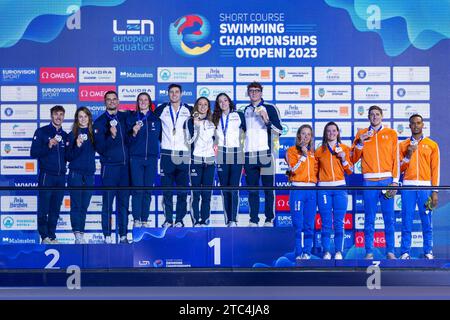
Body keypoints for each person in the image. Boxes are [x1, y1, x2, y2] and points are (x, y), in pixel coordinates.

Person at [351, 105, 399, 259]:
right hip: (369, 182)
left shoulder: (391, 133)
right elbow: (353, 158)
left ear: (382, 116)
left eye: (377, 114)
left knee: (389, 217)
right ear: (368, 117)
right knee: (369, 218)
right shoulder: (361, 133)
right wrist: (360, 143)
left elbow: (396, 159)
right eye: (372, 114)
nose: (375, 117)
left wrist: (395, 181)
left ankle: (390, 251)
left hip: (387, 180)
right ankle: (369, 251)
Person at [399, 114, 440, 259]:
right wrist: (408, 154)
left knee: (426, 219)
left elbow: (435, 170)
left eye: (418, 123)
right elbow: (399, 169)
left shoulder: (432, 145)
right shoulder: (403, 145)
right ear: (409, 126)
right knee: (407, 219)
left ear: (423, 125)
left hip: (425, 188)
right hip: (408, 188)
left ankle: (428, 251)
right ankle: (405, 252)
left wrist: (435, 191)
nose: (416, 126)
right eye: (413, 123)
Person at [243, 82, 282, 227]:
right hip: (249, 155)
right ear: (248, 93)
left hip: (265, 154)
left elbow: (279, 130)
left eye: (257, 90)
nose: (254, 93)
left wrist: (266, 120)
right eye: (251, 91)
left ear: (261, 92)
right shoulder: (245, 110)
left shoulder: (270, 108)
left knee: (268, 189)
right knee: (252, 190)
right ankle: (253, 220)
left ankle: (269, 219)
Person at [93, 91, 130, 244]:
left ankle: (123, 235)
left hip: (124, 168)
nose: (112, 102)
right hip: (109, 168)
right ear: (105, 102)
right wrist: (111, 136)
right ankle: (107, 236)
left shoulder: (124, 118)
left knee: (123, 204)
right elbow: (100, 147)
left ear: (118, 101)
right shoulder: (100, 122)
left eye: (114, 99)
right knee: (108, 203)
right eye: (109, 100)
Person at [154, 84, 192, 227]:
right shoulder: (161, 109)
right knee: (167, 191)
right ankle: (168, 219)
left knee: (183, 190)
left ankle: (180, 220)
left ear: (181, 94)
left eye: (177, 92)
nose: (174, 94)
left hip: (183, 154)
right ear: (168, 94)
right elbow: (152, 126)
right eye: (171, 92)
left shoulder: (189, 110)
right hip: (166, 154)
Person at [315, 122, 353, 259]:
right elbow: (315, 171)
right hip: (324, 188)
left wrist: (343, 159)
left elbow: (350, 170)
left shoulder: (345, 149)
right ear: (325, 133)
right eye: (328, 131)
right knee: (325, 221)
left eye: (334, 131)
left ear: (338, 133)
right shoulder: (319, 151)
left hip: (340, 188)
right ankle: (326, 251)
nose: (331, 133)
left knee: (339, 221)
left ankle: (338, 251)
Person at [30, 105, 67, 244]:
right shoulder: (42, 132)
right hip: (47, 175)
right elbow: (33, 153)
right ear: (51, 116)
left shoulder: (65, 135)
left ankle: (52, 235)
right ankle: (44, 236)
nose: (59, 117)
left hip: (61, 176)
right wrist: (48, 145)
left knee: (55, 208)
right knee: (44, 207)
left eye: (61, 114)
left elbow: (68, 155)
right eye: (56, 114)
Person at [127, 92, 161, 229]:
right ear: (137, 102)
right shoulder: (131, 118)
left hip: (151, 159)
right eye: (140, 100)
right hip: (136, 159)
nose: (143, 102)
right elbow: (127, 140)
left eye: (145, 100)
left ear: (149, 102)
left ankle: (145, 219)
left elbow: (160, 138)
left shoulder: (156, 118)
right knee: (137, 190)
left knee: (147, 190)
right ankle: (136, 219)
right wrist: (133, 132)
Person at [212, 93, 246, 227]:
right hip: (221, 153)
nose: (223, 103)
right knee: (225, 188)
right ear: (218, 104)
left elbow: (249, 132)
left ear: (229, 102)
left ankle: (234, 219)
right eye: (220, 101)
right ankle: (228, 220)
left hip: (236, 153)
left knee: (233, 187)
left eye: (225, 100)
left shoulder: (239, 115)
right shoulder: (215, 118)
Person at [286, 125, 317, 260]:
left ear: (311, 137)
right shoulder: (291, 151)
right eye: (303, 134)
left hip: (311, 191)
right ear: (299, 136)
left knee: (309, 223)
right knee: (298, 224)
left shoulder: (314, 154)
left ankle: (307, 252)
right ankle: (298, 253)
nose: (305, 137)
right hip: (298, 189)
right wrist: (303, 156)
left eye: (308, 134)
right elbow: (292, 171)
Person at [65, 107, 96, 244]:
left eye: (85, 116)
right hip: (75, 174)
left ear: (89, 118)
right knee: (76, 205)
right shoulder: (72, 135)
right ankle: (76, 234)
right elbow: (68, 156)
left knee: (84, 206)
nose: (83, 119)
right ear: (77, 119)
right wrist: (77, 145)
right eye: (80, 116)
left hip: (89, 175)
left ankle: (81, 234)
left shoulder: (94, 134)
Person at [185, 97, 216, 226]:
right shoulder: (190, 121)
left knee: (207, 194)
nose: (203, 107)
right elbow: (189, 142)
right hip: (195, 160)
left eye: (205, 105)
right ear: (196, 106)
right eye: (200, 104)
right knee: (196, 193)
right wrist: (197, 128)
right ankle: (195, 221)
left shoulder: (213, 122)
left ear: (208, 107)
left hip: (209, 162)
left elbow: (217, 140)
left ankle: (205, 220)